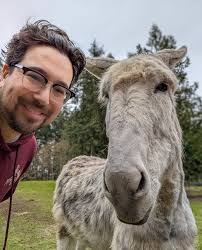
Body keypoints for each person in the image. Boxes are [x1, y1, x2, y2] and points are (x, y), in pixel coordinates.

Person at [0, 19, 86, 203]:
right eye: (34, 76)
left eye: (59, 89)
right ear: (5, 73)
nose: (44, 98)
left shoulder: (28, 148)